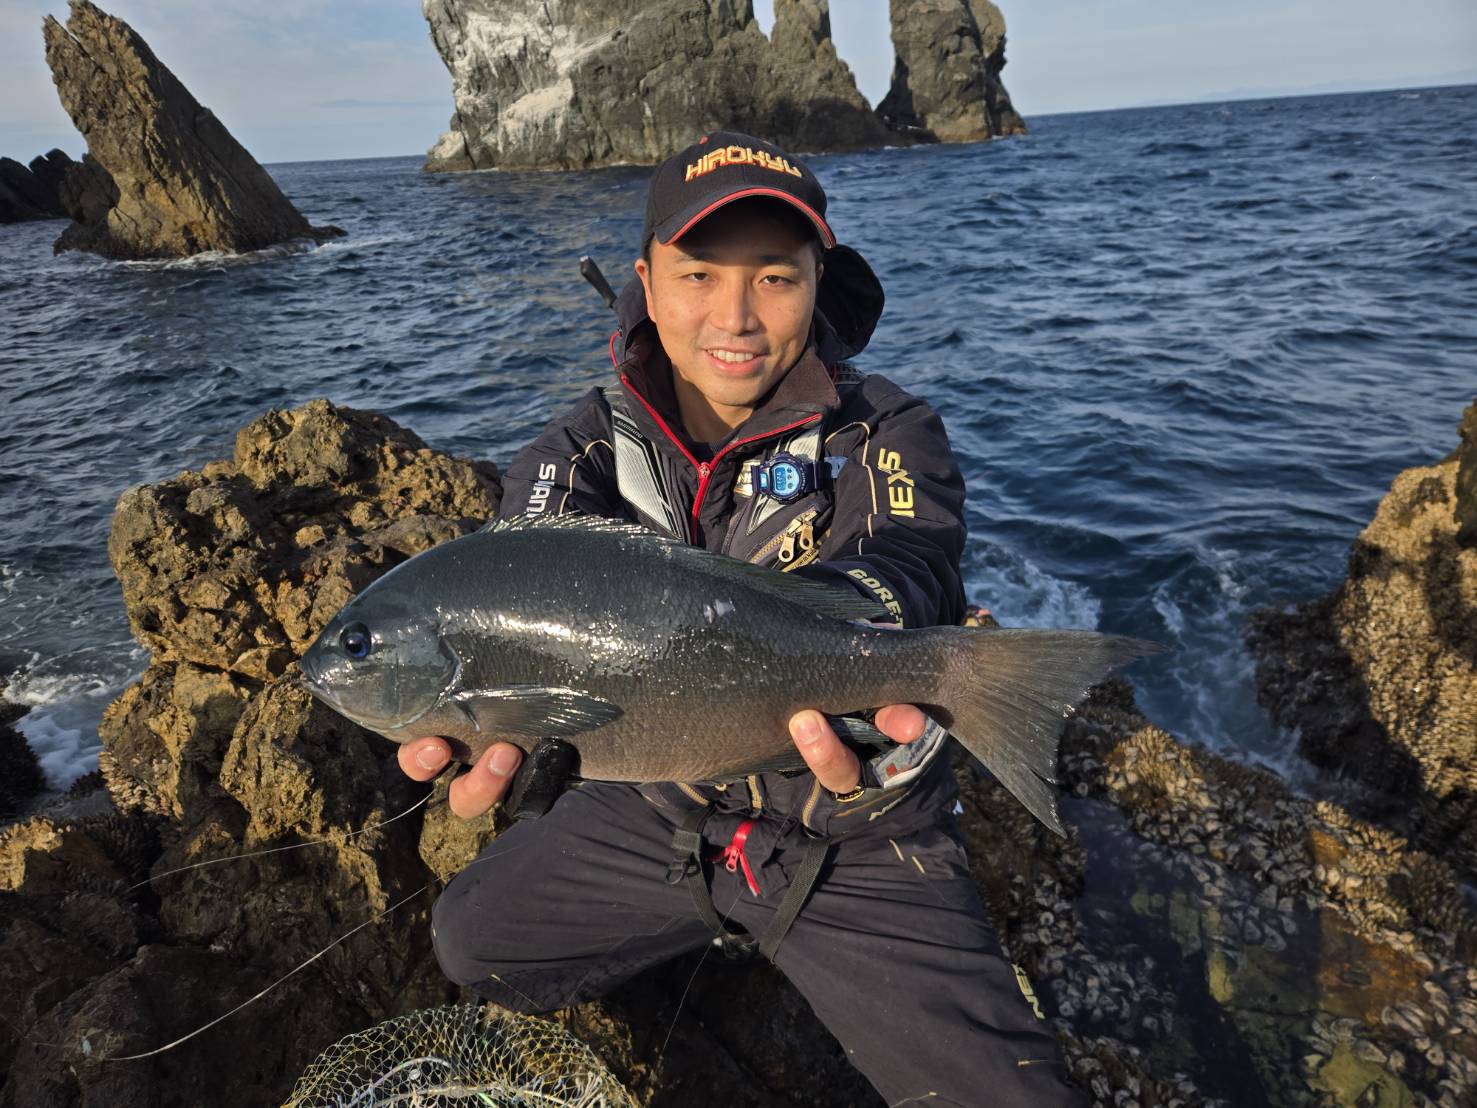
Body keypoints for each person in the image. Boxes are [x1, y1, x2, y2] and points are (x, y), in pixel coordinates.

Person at [398, 132, 1086, 1106]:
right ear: (645, 278)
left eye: (773, 277)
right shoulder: (580, 449)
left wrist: (866, 657)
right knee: (470, 941)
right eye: (697, 274)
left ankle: (789, 920)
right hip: (657, 806)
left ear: (819, 281)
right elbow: (531, 567)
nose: (734, 316)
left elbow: (909, 559)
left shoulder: (885, 428)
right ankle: (707, 921)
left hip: (854, 824)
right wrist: (525, 736)